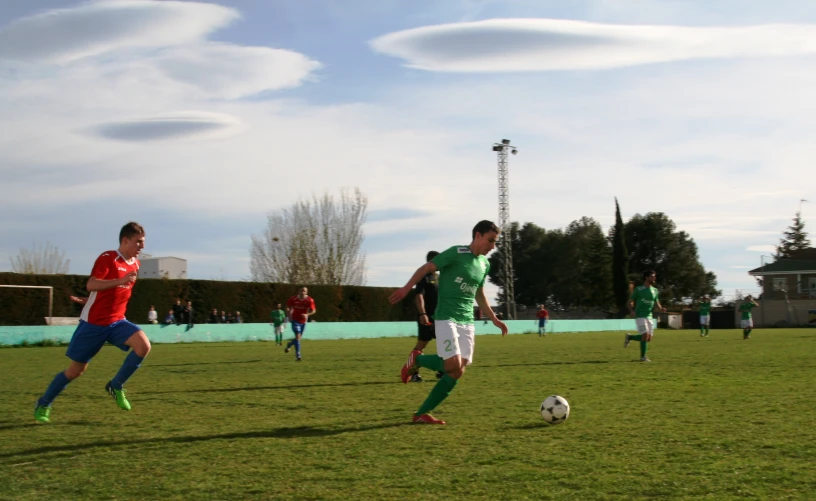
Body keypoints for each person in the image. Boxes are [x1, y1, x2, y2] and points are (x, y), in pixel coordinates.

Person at [389, 220, 509, 425]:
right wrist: (406, 288)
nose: (492, 247)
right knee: (451, 364)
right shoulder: (457, 253)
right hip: (446, 317)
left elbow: (479, 294)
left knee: (458, 371)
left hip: (466, 321)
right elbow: (427, 267)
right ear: (478, 235)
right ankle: (416, 360)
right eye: (490, 240)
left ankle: (421, 413)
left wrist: (494, 318)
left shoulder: (484, 264)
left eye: (495, 242)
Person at [34, 222, 151, 424]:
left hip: (117, 321)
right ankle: (44, 403)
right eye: (138, 242)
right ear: (125, 240)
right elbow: (91, 284)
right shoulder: (108, 258)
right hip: (94, 324)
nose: (142, 246)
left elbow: (114, 294)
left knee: (143, 346)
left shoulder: (135, 263)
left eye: (143, 242)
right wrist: (119, 281)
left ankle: (115, 386)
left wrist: (95, 297)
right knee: (75, 371)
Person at [408, 251, 443, 383]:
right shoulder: (423, 277)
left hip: (439, 317)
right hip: (427, 317)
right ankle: (413, 373)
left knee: (445, 343)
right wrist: (423, 313)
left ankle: (442, 370)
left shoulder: (440, 277)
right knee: (421, 345)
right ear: (431, 262)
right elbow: (419, 296)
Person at [624, 270, 666, 362]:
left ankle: (630, 337)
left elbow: (657, 301)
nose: (654, 278)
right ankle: (643, 357)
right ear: (646, 277)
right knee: (645, 334)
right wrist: (631, 310)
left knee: (648, 338)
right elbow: (629, 302)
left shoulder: (655, 290)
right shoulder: (639, 289)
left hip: (649, 316)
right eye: (652, 276)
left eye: (654, 276)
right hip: (640, 315)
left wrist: (661, 308)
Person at [285, 287, 316, 362]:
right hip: (295, 320)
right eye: (301, 291)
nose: (303, 292)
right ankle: (298, 355)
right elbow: (287, 307)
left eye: (304, 291)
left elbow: (314, 310)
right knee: (298, 336)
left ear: (306, 292)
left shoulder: (309, 300)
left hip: (303, 321)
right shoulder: (293, 299)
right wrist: (289, 316)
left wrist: (307, 314)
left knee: (298, 338)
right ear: (299, 291)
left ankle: (290, 344)